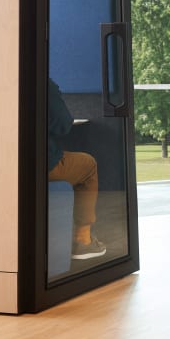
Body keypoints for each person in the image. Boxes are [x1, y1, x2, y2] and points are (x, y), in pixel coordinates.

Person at [48, 78, 106, 260]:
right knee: (88, 165)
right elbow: (63, 124)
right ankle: (83, 239)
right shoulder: (39, 80)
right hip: (37, 164)